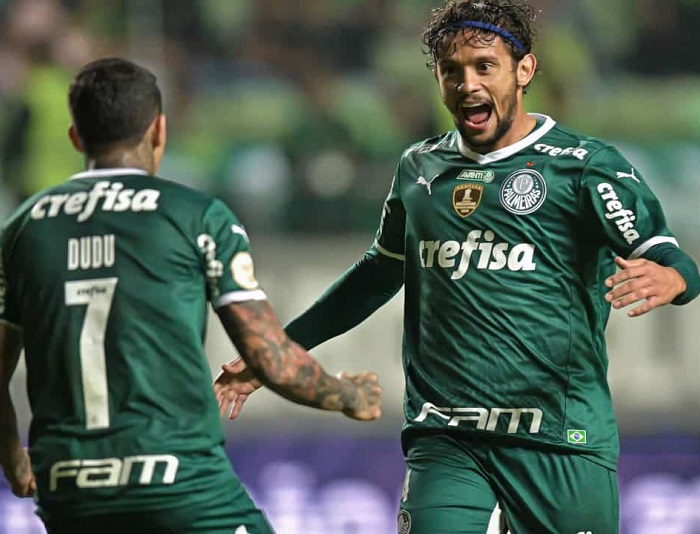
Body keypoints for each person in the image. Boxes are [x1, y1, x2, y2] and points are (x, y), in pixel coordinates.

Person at [215, 1, 700, 532]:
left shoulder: (584, 168)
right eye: (452, 70)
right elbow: (377, 274)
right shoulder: (420, 168)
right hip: (448, 439)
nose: (468, 84)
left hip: (561, 439)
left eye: (485, 67)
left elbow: (669, 255)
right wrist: (276, 352)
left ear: (524, 70)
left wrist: (673, 278)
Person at [0, 57, 382, 534]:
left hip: (69, 490)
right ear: (158, 130)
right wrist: (349, 395)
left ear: (77, 137)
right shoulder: (195, 217)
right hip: (179, 482)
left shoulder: (23, 229)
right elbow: (272, 360)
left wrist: (13, 458)